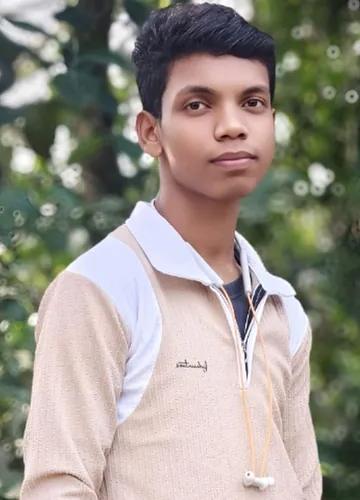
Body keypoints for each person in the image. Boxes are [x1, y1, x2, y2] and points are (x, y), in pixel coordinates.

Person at [20, 2, 322, 499]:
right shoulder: (101, 288)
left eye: (252, 102)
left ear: (271, 120)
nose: (232, 126)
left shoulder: (282, 310)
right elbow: (56, 486)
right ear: (150, 132)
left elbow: (305, 487)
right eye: (198, 105)